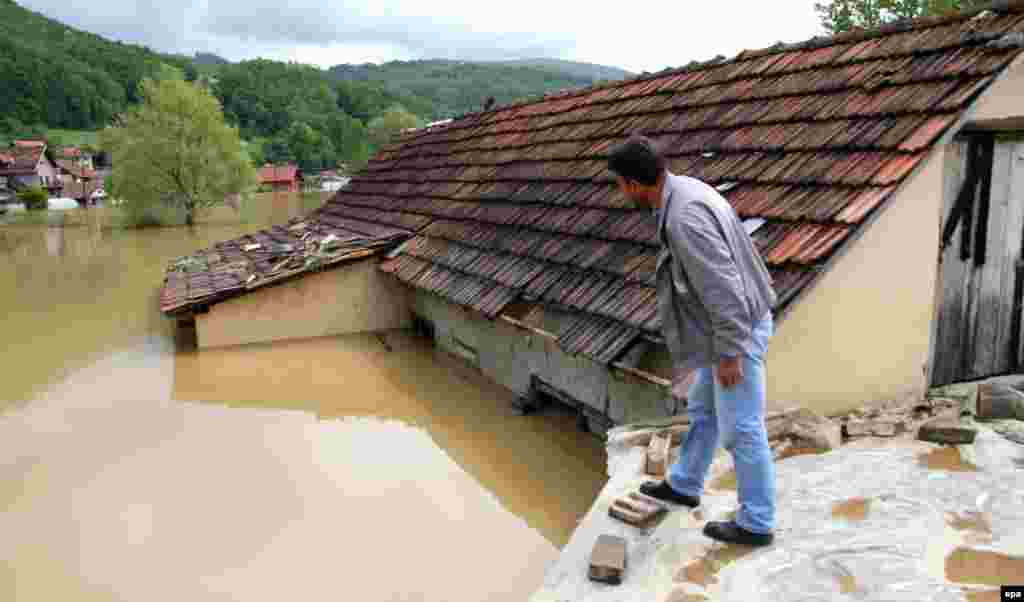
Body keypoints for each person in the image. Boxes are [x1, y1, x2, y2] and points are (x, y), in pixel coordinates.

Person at [607, 136, 778, 547]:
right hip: (725, 330)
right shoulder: (686, 188)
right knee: (704, 409)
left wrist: (730, 353)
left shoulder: (684, 218)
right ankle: (684, 484)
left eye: (619, 184)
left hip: (735, 333)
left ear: (633, 183)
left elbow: (724, 290)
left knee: (742, 429)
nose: (619, 192)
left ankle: (757, 522)